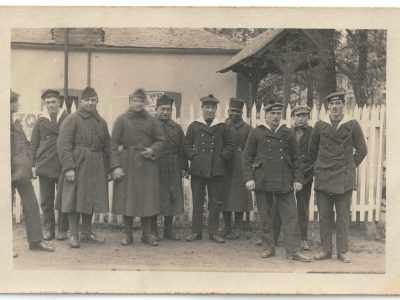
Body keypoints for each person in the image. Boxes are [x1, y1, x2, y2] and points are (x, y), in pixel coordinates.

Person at [242, 100, 311, 262]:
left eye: (278, 113)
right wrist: (249, 178)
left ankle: (293, 250)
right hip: (263, 179)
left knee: (290, 215)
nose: (275, 117)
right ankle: (268, 247)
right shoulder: (257, 132)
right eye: (272, 113)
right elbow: (247, 157)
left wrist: (298, 179)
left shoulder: (287, 132)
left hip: (284, 179)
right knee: (265, 216)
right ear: (265, 115)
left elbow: (296, 159)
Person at [309, 91, 367, 263]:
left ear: (344, 105)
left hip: (343, 177)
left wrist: (349, 166)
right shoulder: (320, 125)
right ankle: (326, 250)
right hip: (324, 176)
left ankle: (343, 251)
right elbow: (311, 152)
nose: (334, 107)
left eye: (338, 103)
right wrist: (318, 169)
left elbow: (362, 150)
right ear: (327, 107)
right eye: (331, 104)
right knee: (325, 215)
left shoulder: (352, 124)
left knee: (342, 215)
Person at [56, 87, 110, 248]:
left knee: (90, 198)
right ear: (81, 102)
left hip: (96, 165)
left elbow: (108, 146)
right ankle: (73, 235)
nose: (91, 103)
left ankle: (86, 233)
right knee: (74, 199)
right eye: (87, 100)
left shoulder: (101, 122)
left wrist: (109, 167)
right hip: (77, 164)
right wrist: (69, 167)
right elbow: (63, 145)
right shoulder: (72, 119)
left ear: (97, 101)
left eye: (94, 100)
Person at [111, 89, 164, 246]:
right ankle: (127, 234)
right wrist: (116, 166)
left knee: (147, 199)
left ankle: (146, 234)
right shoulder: (121, 119)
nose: (138, 104)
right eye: (135, 101)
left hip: (147, 165)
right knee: (128, 199)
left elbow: (161, 140)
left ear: (145, 103)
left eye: (141, 101)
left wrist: (153, 149)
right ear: (130, 102)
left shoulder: (152, 121)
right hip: (127, 163)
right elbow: (113, 144)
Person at [183, 94, 235, 243]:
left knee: (215, 202)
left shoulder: (222, 127)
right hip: (198, 169)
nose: (210, 110)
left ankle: (213, 232)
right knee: (197, 201)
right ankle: (195, 232)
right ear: (202, 108)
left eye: (212, 107)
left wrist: (222, 157)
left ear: (216, 109)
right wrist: (194, 156)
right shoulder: (194, 125)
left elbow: (231, 145)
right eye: (207, 107)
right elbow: (186, 145)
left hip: (216, 170)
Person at [10, 90, 55, 254]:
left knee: (31, 204)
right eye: (15, 102)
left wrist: (29, 160)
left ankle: (35, 242)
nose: (18, 104)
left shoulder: (14, 120)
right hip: (7, 171)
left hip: (21, 171)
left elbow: (24, 143)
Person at [272, 105, 314, 250]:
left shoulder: (313, 133)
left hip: (305, 174)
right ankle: (274, 236)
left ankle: (303, 239)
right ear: (293, 117)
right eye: (298, 115)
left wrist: (305, 173)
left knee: (302, 206)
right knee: (278, 205)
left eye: (304, 115)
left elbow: (315, 155)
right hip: (287, 174)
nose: (300, 118)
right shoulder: (286, 132)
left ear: (308, 117)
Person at [30, 89, 69, 241]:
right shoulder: (40, 121)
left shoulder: (67, 118)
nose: (51, 105)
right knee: (46, 200)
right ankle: (49, 230)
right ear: (44, 104)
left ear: (59, 102)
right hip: (45, 164)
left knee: (64, 199)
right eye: (48, 102)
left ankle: (63, 230)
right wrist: (32, 164)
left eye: (53, 102)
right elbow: (33, 144)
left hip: (62, 164)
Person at [155, 95, 188, 240]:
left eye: (168, 110)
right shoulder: (151, 126)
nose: (166, 112)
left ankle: (168, 230)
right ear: (156, 110)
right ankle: (153, 230)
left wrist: (183, 167)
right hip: (156, 165)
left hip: (173, 164)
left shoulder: (176, 128)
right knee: (156, 196)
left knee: (172, 196)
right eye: (162, 109)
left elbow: (183, 148)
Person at [222, 98, 253, 240]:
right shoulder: (223, 126)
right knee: (225, 195)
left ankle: (238, 227)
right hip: (225, 164)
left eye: (237, 111)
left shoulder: (247, 129)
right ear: (228, 111)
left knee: (239, 196)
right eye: (232, 111)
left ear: (242, 113)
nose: (234, 114)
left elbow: (251, 148)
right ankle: (227, 225)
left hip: (240, 166)